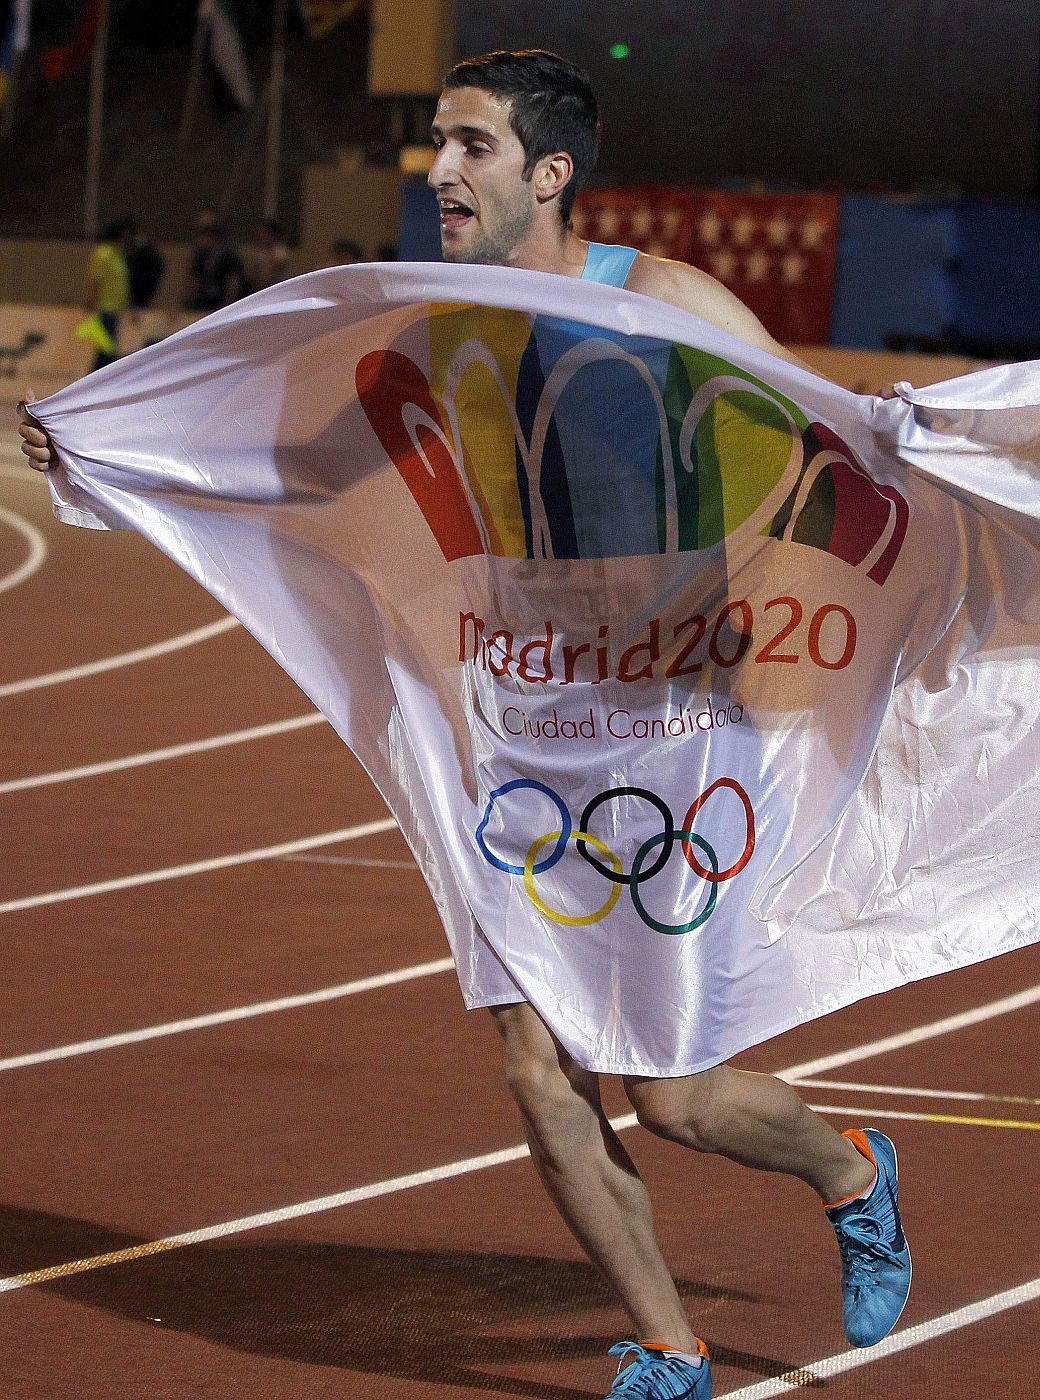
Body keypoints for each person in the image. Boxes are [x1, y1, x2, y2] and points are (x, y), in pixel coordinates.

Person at [20, 49, 909, 1400]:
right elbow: (317, 462)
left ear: (549, 174)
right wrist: (119, 449)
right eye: (436, 143)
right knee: (534, 1062)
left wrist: (994, 431)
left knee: (677, 1097)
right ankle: (669, 1347)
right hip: (519, 730)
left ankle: (852, 1170)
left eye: (471, 146)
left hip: (672, 729)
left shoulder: (662, 301)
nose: (438, 170)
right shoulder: (439, 318)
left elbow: (829, 432)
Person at [82, 218, 130, 370]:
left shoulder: (118, 256)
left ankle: (95, 384)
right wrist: (91, 303)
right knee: (107, 352)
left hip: (115, 310)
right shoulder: (103, 254)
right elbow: (95, 280)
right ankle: (94, 384)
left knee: (107, 352)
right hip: (104, 309)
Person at [182, 218, 248, 312]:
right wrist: (187, 298)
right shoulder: (201, 256)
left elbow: (233, 282)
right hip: (206, 297)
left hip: (222, 298)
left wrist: (228, 304)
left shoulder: (229, 256)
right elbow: (194, 279)